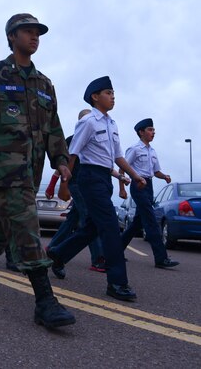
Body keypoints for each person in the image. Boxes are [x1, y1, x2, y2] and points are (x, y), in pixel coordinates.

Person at [0, 13, 76, 328]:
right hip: (3, 170)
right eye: (27, 31)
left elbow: (54, 127)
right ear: (12, 37)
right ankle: (45, 302)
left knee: (3, 230)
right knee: (26, 227)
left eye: (37, 32)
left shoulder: (44, 84)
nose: (34, 36)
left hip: (31, 173)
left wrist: (62, 161)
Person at [47, 76, 146, 301]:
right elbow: (73, 152)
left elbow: (118, 157)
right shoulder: (89, 121)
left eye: (113, 93)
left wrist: (135, 175)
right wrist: (65, 184)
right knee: (111, 226)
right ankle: (117, 282)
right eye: (108, 93)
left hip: (103, 179)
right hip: (89, 177)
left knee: (92, 227)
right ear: (95, 97)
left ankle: (58, 253)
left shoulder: (112, 124)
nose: (113, 97)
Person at [45, 109, 107, 278]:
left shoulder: (94, 139)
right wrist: (55, 186)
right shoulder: (72, 140)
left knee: (73, 219)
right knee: (89, 219)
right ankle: (98, 259)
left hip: (89, 185)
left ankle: (53, 247)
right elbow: (62, 166)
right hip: (76, 185)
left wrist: (120, 177)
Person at [118, 118, 179, 268]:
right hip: (138, 185)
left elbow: (155, 171)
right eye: (150, 130)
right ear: (141, 132)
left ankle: (116, 250)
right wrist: (122, 188)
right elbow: (122, 167)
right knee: (150, 220)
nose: (153, 132)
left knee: (137, 223)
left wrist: (164, 176)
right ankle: (161, 258)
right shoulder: (134, 149)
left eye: (153, 130)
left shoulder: (152, 151)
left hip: (149, 186)